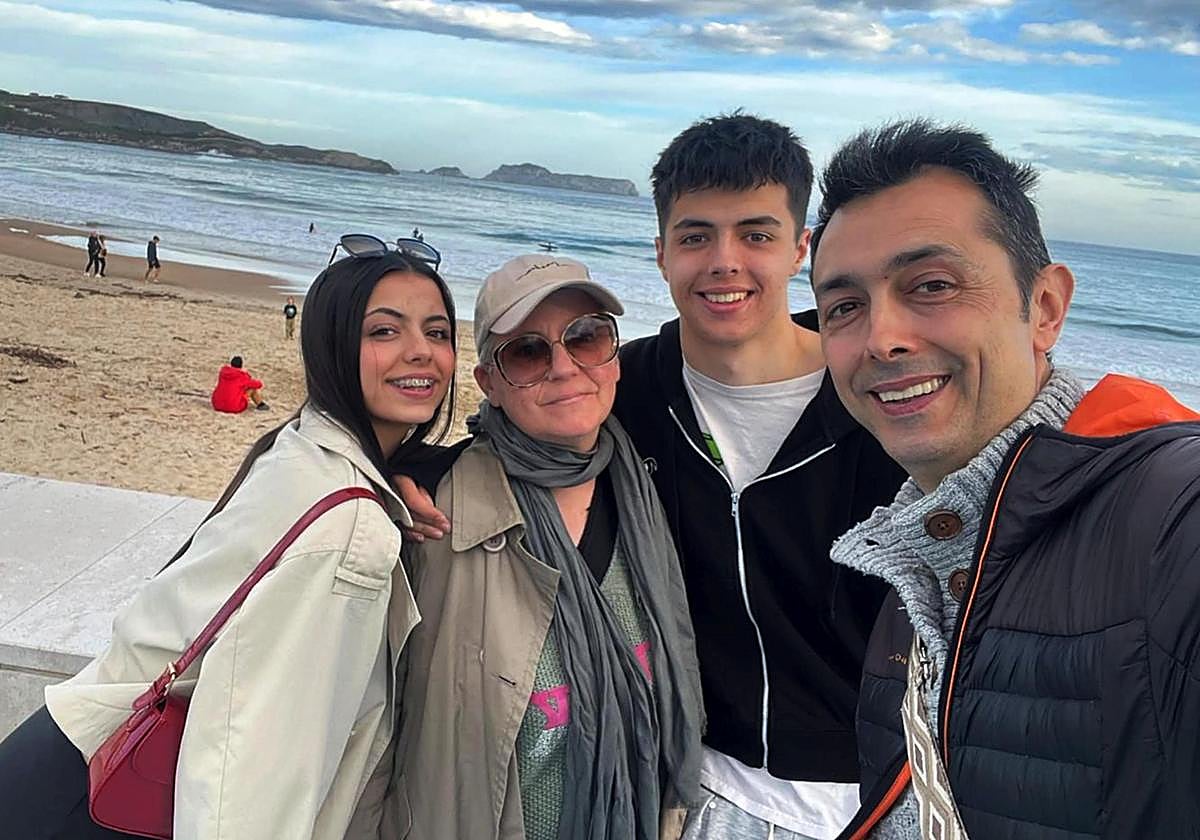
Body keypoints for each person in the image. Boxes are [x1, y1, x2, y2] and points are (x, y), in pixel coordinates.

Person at [399, 114, 906, 839]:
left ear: (803, 248)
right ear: (662, 252)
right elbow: (508, 431)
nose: (724, 261)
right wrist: (404, 469)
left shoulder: (880, 396)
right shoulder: (625, 387)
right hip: (696, 784)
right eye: (696, 236)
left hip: (873, 791)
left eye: (756, 235)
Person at [807, 119, 1200, 839]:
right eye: (844, 308)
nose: (881, 337)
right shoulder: (916, 561)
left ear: (1044, 308)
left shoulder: (1169, 512)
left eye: (931, 285)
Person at [0, 247, 459, 838]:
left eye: (438, 330)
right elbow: (255, 754)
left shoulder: (297, 446)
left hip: (72, 750)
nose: (420, 350)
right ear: (332, 345)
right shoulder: (352, 528)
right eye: (384, 330)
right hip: (112, 800)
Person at [391, 254, 704, 839]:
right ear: (490, 383)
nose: (564, 367)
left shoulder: (650, 490)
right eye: (528, 352)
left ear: (613, 356)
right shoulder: (428, 511)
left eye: (585, 338)